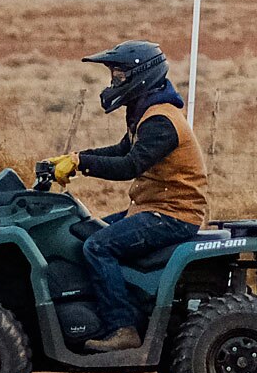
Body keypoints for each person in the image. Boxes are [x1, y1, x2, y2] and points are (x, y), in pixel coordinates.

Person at [47, 41, 208, 353]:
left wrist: (83, 163)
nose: (114, 82)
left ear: (142, 75)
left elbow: (129, 165)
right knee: (82, 234)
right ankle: (107, 310)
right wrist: (74, 157)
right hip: (150, 209)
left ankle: (122, 327)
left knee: (97, 246)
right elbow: (123, 150)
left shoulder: (161, 120)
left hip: (173, 215)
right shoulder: (146, 112)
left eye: (119, 75)